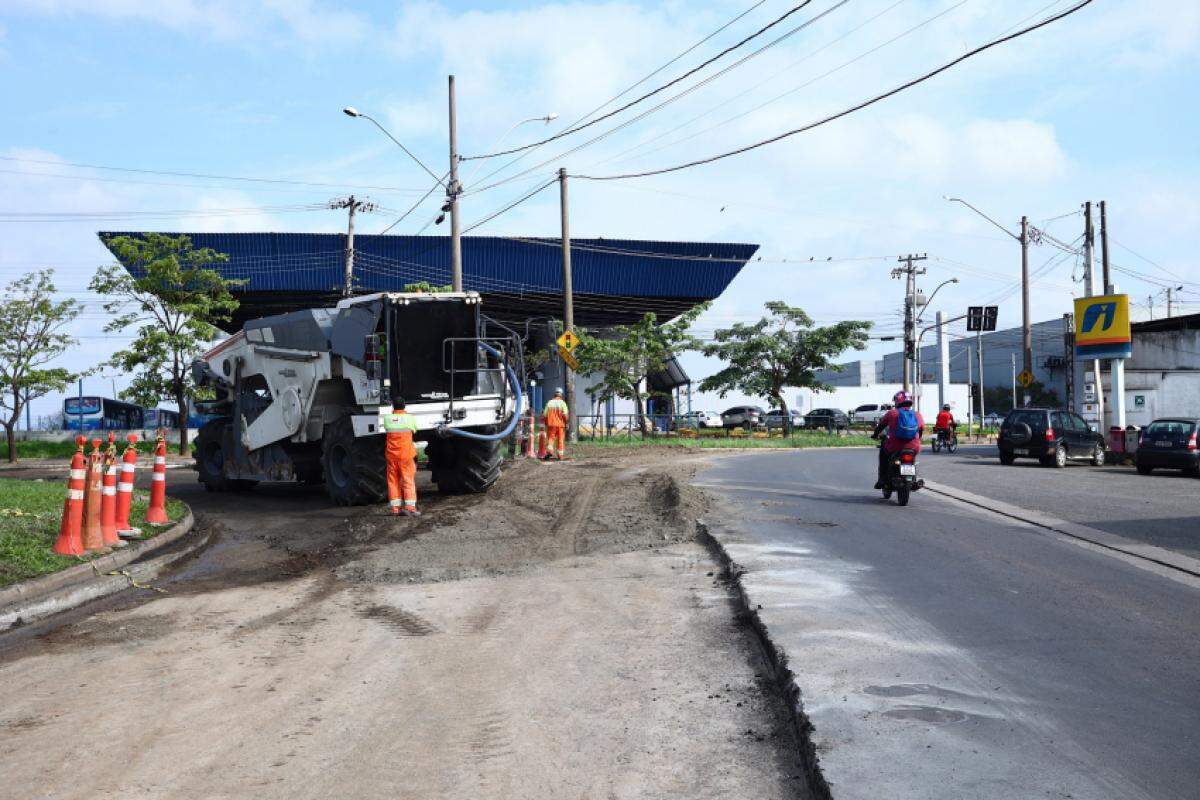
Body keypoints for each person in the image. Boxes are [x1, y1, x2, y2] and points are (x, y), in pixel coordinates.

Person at [872, 390, 924, 489]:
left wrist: (875, 435)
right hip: (914, 447)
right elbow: (921, 429)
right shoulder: (917, 415)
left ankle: (882, 479)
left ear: (897, 401)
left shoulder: (892, 413)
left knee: (883, 452)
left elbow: (880, 426)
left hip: (894, 447)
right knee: (912, 458)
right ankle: (914, 478)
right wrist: (918, 440)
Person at [383, 398, 420, 516]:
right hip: (406, 456)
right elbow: (415, 430)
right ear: (404, 406)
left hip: (392, 456)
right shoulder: (410, 418)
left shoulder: (387, 419)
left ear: (393, 406)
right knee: (408, 480)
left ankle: (395, 509)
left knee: (393, 481)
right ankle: (409, 507)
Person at [543, 388, 569, 461]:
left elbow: (545, 415)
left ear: (554, 394)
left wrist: (546, 423)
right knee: (560, 440)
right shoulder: (563, 403)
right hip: (560, 425)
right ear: (561, 395)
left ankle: (549, 452)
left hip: (551, 425)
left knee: (551, 438)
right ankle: (560, 456)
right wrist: (567, 423)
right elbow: (565, 415)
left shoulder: (549, 403)